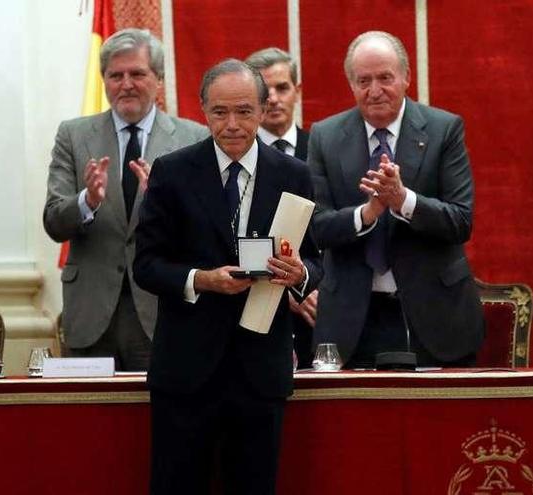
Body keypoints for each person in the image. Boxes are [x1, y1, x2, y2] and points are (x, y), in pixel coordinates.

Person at [134, 59, 322, 495]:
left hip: (261, 371)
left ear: (262, 109)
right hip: (186, 372)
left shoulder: (293, 174)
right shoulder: (173, 171)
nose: (233, 124)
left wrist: (300, 275)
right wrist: (201, 279)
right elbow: (146, 264)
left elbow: (315, 261)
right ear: (203, 111)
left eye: (243, 111)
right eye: (220, 112)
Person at [309, 30, 483, 369]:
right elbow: (316, 228)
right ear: (351, 85)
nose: (375, 91)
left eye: (385, 78)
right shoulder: (324, 136)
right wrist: (367, 213)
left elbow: (461, 221)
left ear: (406, 78)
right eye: (363, 80)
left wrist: (403, 200)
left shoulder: (443, 129)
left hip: (434, 316)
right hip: (352, 321)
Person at [43, 28, 207, 371]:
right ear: (104, 80)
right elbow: (54, 222)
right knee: (89, 421)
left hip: (161, 310)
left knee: (156, 420)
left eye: (137, 74)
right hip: (90, 313)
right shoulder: (73, 136)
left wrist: (162, 205)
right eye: (115, 75)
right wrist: (87, 200)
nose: (126, 84)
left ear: (158, 80)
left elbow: (203, 233)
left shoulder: (192, 138)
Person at [245, 46, 316, 368]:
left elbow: (328, 233)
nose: (273, 98)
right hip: (253, 307)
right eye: (265, 90)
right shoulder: (236, 158)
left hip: (322, 307)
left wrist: (306, 284)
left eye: (282, 88)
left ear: (297, 92)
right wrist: (286, 293)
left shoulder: (323, 149)